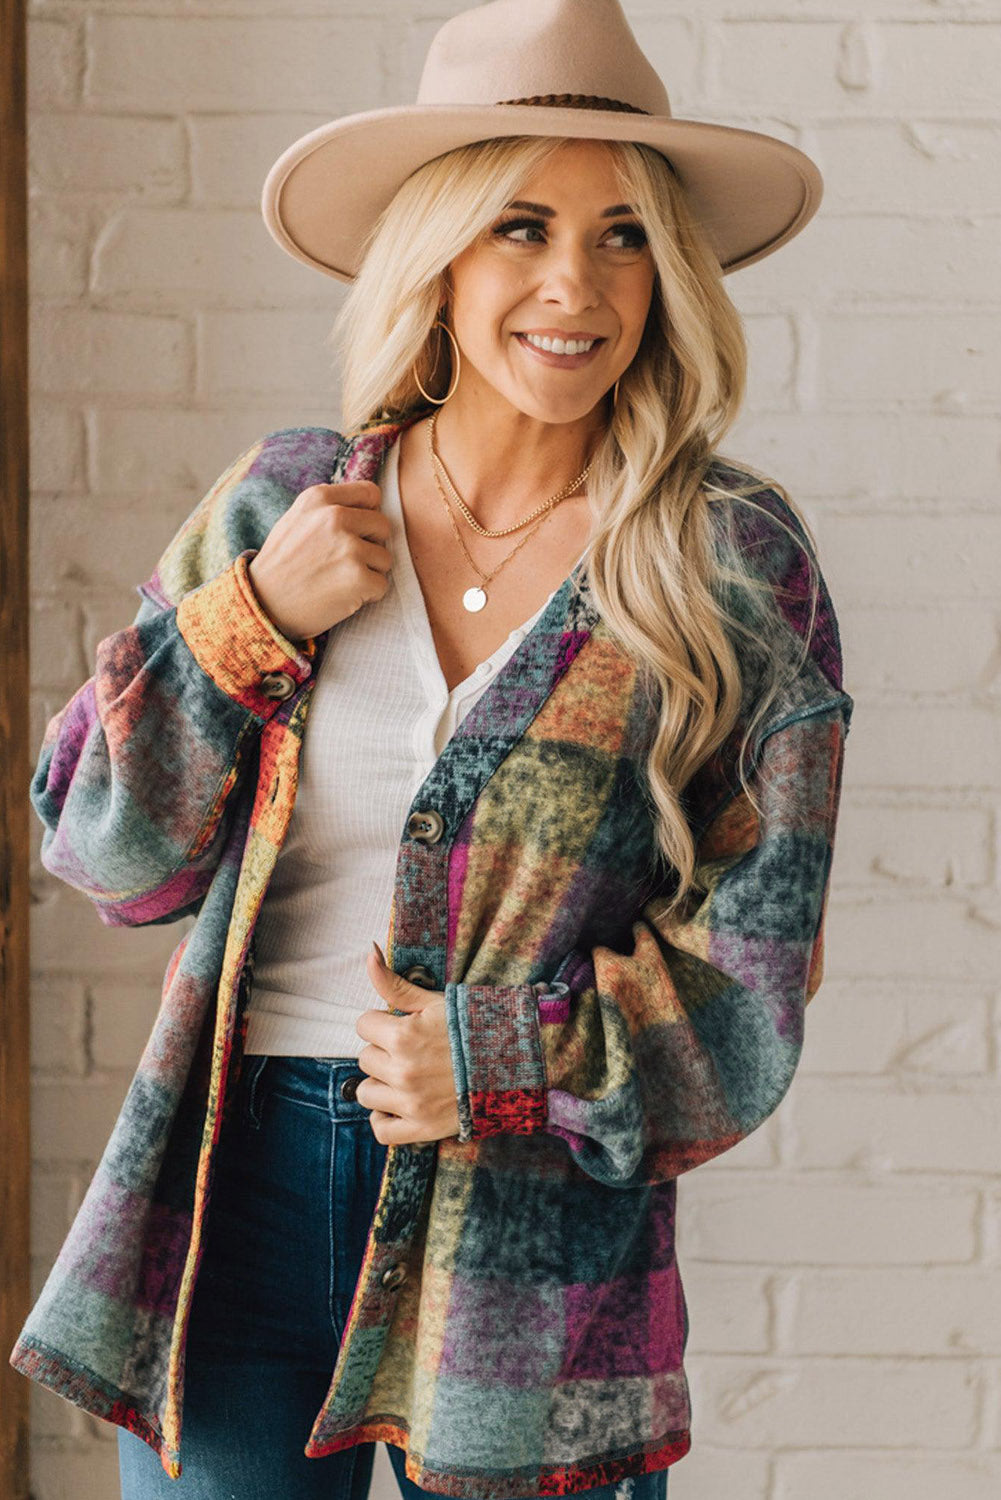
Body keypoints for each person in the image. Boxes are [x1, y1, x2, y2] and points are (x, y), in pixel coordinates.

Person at [9, 2, 854, 1497]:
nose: (574, 284)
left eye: (624, 236)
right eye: (521, 226)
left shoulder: (730, 562)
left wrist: (496, 1065)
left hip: (534, 1240)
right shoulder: (282, 507)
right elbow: (100, 852)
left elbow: (753, 985)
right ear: (441, 257)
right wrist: (251, 621)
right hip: (236, 1190)